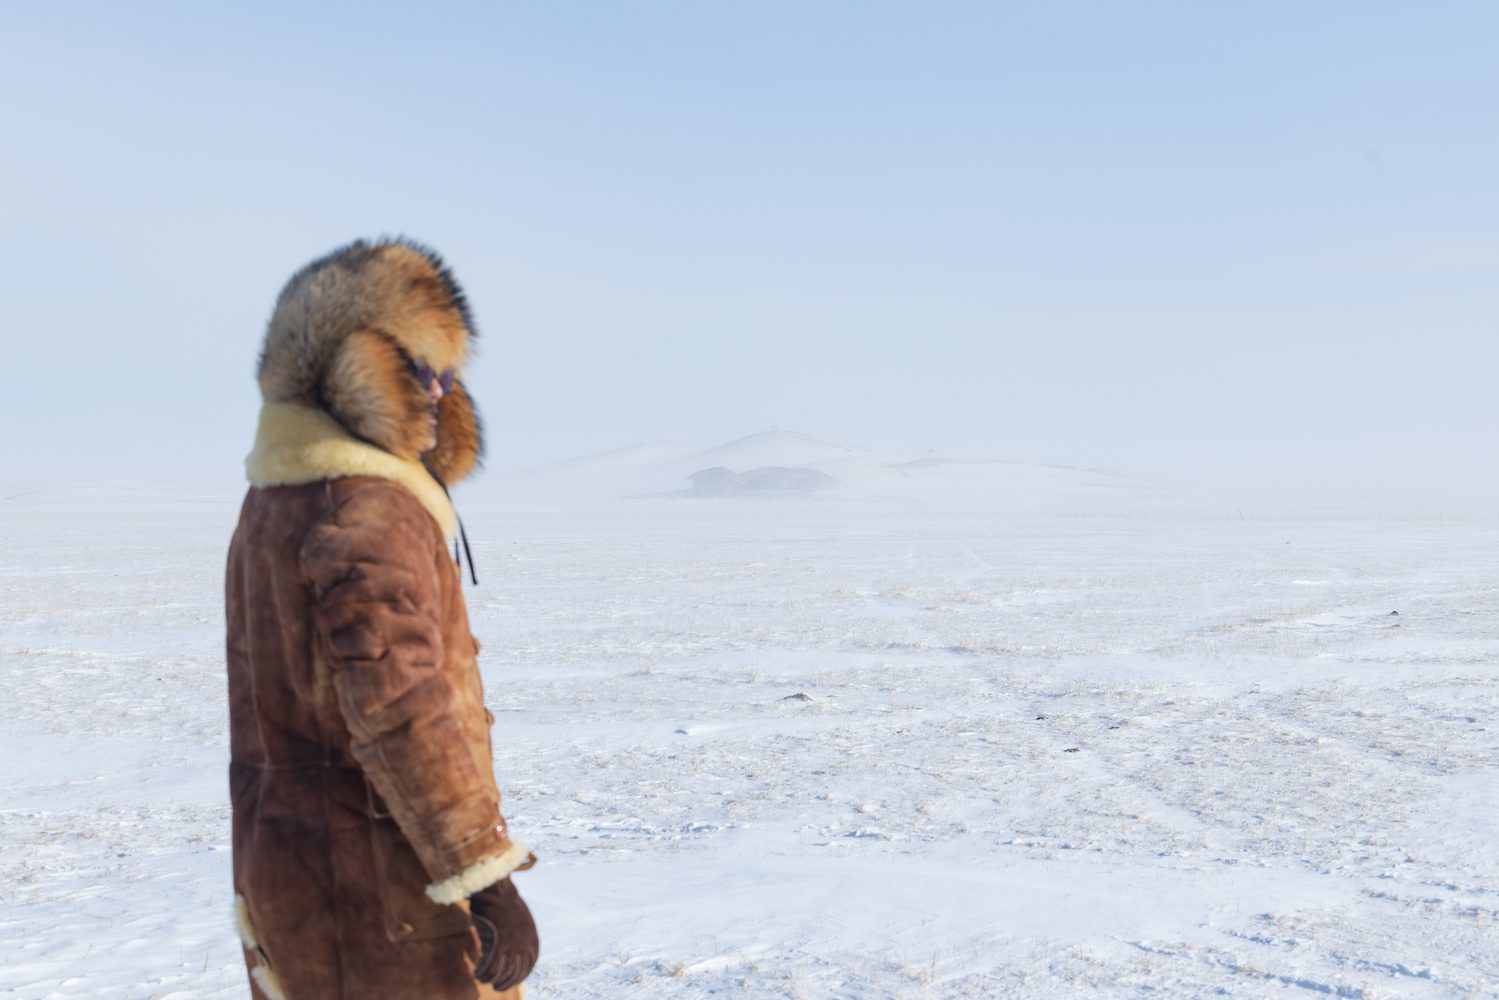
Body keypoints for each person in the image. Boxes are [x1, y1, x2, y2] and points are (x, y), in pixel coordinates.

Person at [225, 238, 538, 999]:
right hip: (387, 897)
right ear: (354, 369)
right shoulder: (365, 513)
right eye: (420, 369)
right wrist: (485, 875)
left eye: (448, 374)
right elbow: (402, 710)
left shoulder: (270, 504)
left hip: (292, 878)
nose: (438, 392)